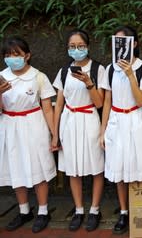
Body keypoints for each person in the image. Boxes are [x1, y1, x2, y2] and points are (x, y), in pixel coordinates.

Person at [100, 26, 142, 235]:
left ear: (135, 44)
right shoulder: (110, 68)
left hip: (136, 118)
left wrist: (131, 74)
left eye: (125, 41)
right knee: (119, 169)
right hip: (116, 119)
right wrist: (102, 131)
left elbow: (141, 100)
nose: (121, 45)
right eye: (118, 41)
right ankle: (124, 211)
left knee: (139, 165)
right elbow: (106, 101)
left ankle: (141, 207)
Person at [0, 37, 56, 233]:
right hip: (9, 125)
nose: (12, 59)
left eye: (16, 54)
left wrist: (54, 134)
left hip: (34, 124)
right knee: (16, 166)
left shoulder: (38, 77)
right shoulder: (1, 77)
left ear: (27, 55)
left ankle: (43, 211)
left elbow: (48, 109)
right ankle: (24, 210)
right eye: (7, 55)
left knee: (38, 165)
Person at [52, 29, 105, 232]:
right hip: (69, 120)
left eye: (80, 46)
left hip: (89, 119)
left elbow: (100, 103)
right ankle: (79, 209)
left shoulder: (97, 69)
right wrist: (55, 134)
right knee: (73, 168)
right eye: (72, 46)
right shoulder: (64, 71)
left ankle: (95, 209)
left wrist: (89, 83)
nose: (76, 50)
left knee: (96, 166)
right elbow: (58, 104)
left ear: (88, 46)